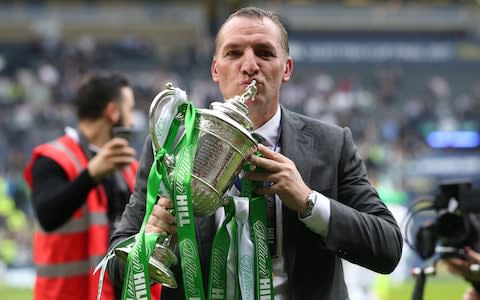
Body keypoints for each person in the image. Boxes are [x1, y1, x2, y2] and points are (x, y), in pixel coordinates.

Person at [107, 6, 402, 300]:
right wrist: (148, 241)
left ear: (286, 68)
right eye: (234, 53)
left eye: (264, 53)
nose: (249, 65)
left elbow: (387, 248)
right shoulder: (174, 143)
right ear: (215, 69)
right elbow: (116, 271)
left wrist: (309, 202)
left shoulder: (331, 144)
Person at [24, 72, 161, 300]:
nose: (131, 120)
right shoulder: (53, 158)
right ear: (112, 112)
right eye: (129, 109)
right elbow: (47, 215)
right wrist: (90, 175)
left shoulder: (130, 167)